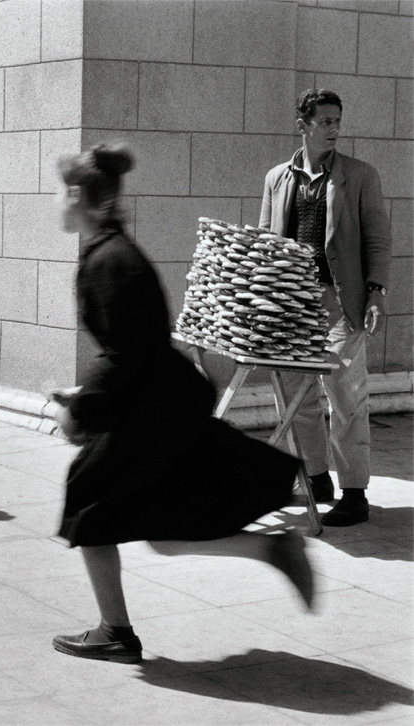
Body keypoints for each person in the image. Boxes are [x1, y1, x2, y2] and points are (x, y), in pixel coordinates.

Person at [50, 143, 314, 665]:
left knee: (90, 507)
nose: (56, 202)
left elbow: (127, 352)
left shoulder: (109, 259)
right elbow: (134, 350)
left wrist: (80, 411)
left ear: (78, 195)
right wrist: (89, 395)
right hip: (157, 404)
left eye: (60, 192)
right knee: (158, 529)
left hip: (149, 412)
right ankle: (271, 548)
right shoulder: (112, 251)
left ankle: (116, 633)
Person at [260, 88, 393, 527]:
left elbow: (377, 239)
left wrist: (376, 292)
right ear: (303, 126)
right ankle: (316, 477)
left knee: (346, 396)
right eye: (325, 121)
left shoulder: (360, 176)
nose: (335, 129)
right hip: (292, 304)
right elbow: (266, 242)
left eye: (338, 120)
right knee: (296, 397)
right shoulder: (277, 177)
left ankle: (354, 493)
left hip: (341, 302)